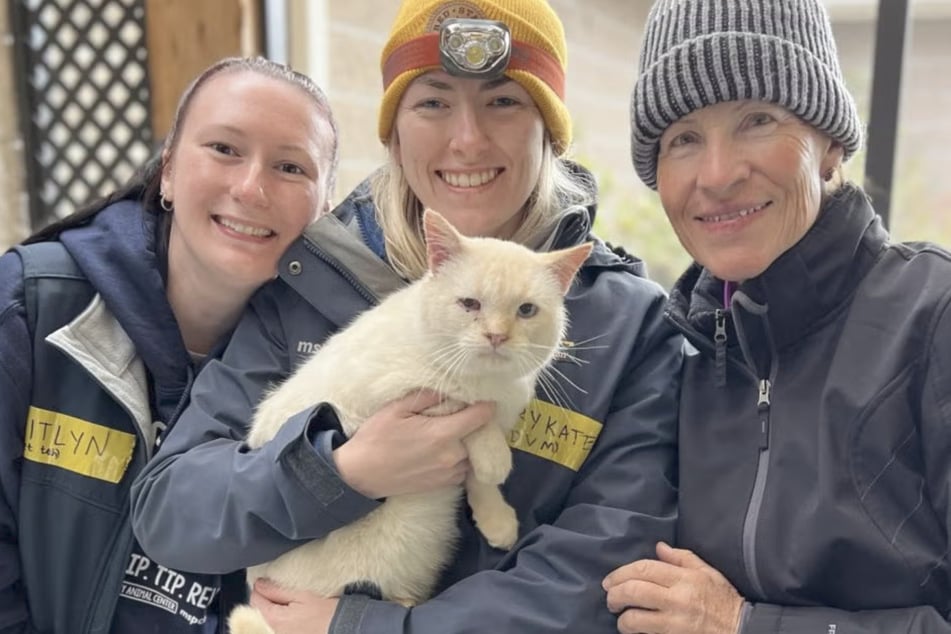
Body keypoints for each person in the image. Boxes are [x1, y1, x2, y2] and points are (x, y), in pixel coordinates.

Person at [130, 1, 684, 633]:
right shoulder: (309, 283)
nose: (467, 139)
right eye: (432, 102)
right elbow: (171, 514)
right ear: (393, 131)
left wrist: (371, 628)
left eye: (504, 102)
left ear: (551, 132)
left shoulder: (629, 327)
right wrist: (337, 472)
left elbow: (611, 567)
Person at [602, 0, 951, 632]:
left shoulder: (933, 318)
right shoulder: (677, 351)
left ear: (829, 146)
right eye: (683, 139)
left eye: (757, 120)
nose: (717, 174)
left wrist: (743, 624)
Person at [0, 56, 339, 634]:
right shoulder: (32, 307)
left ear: (324, 209)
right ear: (170, 171)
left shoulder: (327, 366)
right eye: (224, 149)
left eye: (290, 167)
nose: (251, 188)